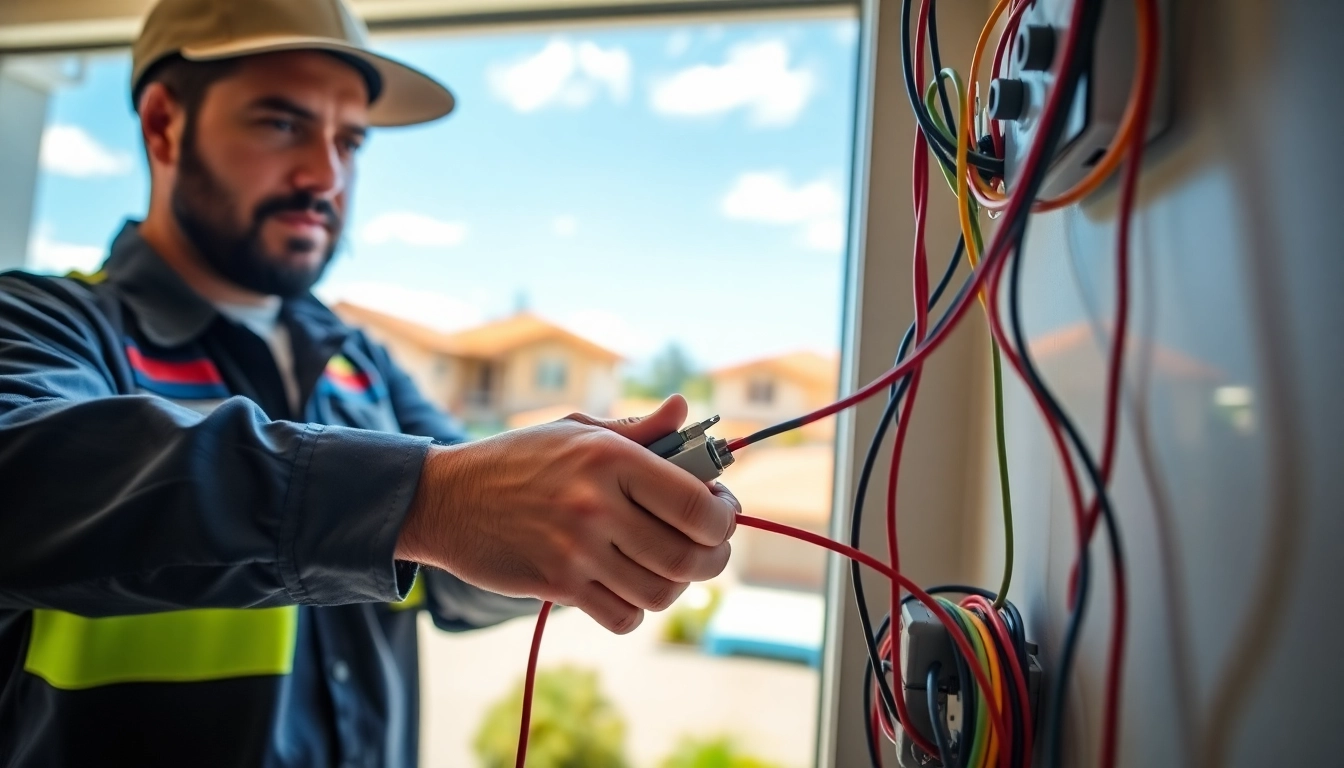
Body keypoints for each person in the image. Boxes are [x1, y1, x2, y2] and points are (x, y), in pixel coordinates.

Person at [0, 0, 739, 764]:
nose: (326, 173)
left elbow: (459, 569)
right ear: (164, 125)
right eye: (282, 123)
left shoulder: (361, 363)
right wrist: (427, 498)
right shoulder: (42, 322)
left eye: (349, 140)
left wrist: (579, 528)